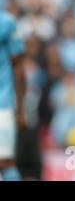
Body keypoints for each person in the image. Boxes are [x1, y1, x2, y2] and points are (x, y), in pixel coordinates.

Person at [0, 9, 26, 181]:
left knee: (5, 162)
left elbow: (18, 67)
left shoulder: (6, 23)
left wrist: (20, 108)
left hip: (3, 103)